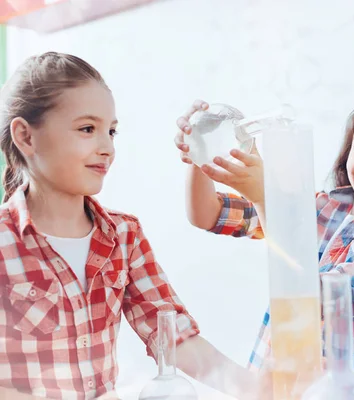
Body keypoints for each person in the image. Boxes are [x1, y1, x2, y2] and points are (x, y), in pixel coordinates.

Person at [0, 52, 264, 400]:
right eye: (87, 129)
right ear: (26, 137)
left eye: (111, 131)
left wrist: (261, 391)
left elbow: (174, 337)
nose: (107, 147)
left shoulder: (124, 236)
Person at [174, 89, 354, 393]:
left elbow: (313, 298)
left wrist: (265, 197)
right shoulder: (321, 207)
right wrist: (200, 153)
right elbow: (207, 214)